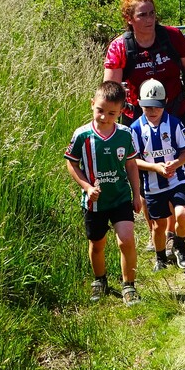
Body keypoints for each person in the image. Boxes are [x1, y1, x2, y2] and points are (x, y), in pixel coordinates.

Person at [103, 0, 185, 259]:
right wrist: (114, 109)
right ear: (129, 18)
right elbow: (110, 89)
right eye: (142, 15)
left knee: (173, 169)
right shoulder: (120, 47)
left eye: (152, 13)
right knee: (145, 175)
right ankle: (155, 228)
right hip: (139, 118)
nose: (149, 19)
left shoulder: (172, 37)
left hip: (176, 113)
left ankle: (170, 234)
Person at [64, 80, 143, 306]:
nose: (104, 117)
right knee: (97, 244)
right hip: (94, 203)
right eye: (100, 110)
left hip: (120, 197)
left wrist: (136, 194)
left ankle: (129, 285)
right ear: (92, 104)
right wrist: (87, 187)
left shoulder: (125, 134)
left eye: (111, 113)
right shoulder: (82, 135)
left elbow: (131, 165)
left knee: (126, 240)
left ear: (121, 112)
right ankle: (100, 280)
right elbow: (71, 163)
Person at [130, 79, 185, 272]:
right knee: (158, 226)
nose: (152, 111)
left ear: (165, 102)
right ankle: (160, 258)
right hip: (152, 185)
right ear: (139, 103)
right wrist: (154, 167)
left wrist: (175, 164)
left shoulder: (174, 124)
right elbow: (133, 161)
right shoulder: (135, 129)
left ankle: (180, 245)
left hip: (176, 180)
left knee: (183, 214)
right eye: (147, 107)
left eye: (157, 106)